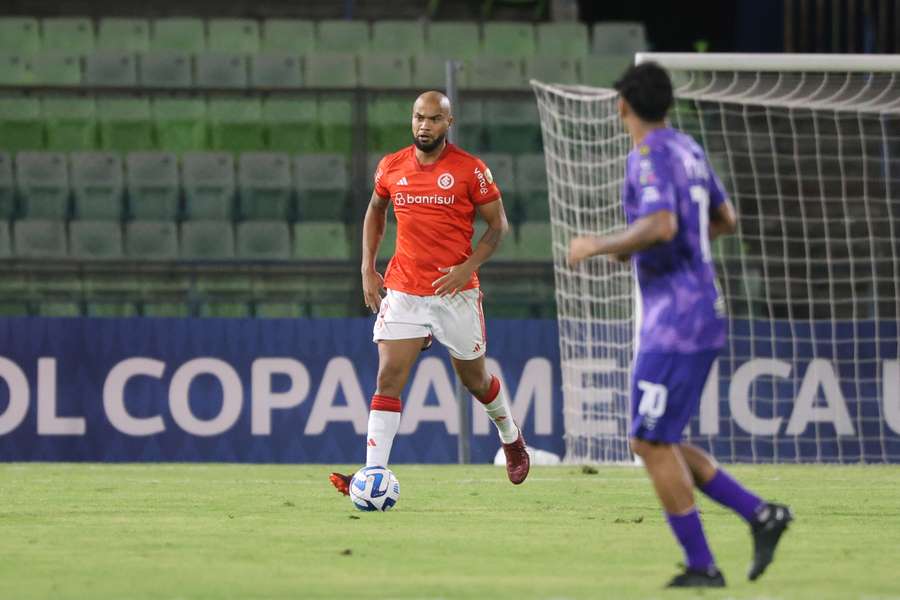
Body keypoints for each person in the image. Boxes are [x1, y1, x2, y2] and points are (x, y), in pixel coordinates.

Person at [567, 63, 793, 588]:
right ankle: (761, 516)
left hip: (677, 320)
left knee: (648, 442)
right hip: (699, 309)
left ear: (622, 103)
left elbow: (663, 222)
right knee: (659, 438)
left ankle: (703, 566)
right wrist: (657, 248)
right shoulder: (688, 149)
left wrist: (600, 244)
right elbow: (724, 219)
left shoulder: (648, 155)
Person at [329, 91, 530, 494]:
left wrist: (468, 268)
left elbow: (498, 226)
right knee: (388, 377)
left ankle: (511, 437)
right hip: (404, 289)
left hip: (454, 293)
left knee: (475, 380)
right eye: (419, 118)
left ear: (448, 123)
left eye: (434, 119)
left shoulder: (470, 170)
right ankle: (373, 474)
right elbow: (375, 210)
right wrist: (368, 267)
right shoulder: (391, 166)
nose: (424, 125)